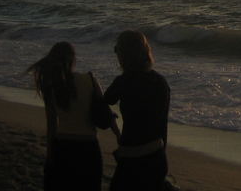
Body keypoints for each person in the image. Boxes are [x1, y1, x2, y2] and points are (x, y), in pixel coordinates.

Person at [27, 41, 114, 191]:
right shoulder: (90, 80)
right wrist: (119, 136)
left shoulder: (52, 85)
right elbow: (105, 111)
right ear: (73, 59)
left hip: (64, 146)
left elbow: (52, 124)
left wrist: (50, 153)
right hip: (89, 147)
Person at [105, 30, 172, 191]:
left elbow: (105, 101)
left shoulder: (123, 82)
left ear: (123, 55)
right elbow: (163, 126)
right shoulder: (160, 82)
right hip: (156, 155)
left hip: (130, 156)